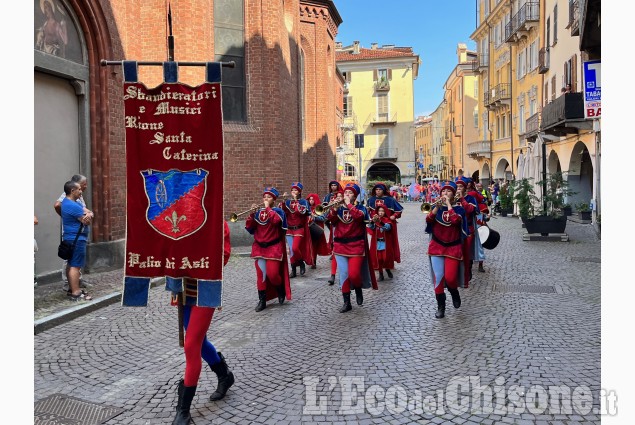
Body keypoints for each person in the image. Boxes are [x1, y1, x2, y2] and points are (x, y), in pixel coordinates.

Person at [171, 220, 234, 425]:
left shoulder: (218, 222)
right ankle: (224, 375)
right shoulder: (177, 218)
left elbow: (222, 257)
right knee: (198, 340)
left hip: (205, 289)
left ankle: (183, 410)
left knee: (191, 345)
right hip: (184, 289)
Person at [326, 183, 378, 312]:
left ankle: (358, 287)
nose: (346, 195)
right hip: (340, 246)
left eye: (349, 193)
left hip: (356, 246)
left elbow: (359, 217)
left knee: (354, 274)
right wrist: (334, 209)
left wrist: (349, 205)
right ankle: (347, 302)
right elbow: (331, 220)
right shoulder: (338, 208)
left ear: (355, 196)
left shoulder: (361, 208)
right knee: (343, 274)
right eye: (345, 193)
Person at [425, 181, 467, 318]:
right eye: (443, 191)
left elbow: (455, 220)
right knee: (439, 278)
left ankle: (454, 292)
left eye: (448, 192)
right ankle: (441, 307)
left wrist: (449, 205)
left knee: (450, 278)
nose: (445, 194)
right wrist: (436, 208)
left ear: (453, 194)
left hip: (453, 247)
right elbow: (428, 220)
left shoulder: (459, 209)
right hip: (437, 246)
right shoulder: (436, 207)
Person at [245, 187, 292, 312]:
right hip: (259, 247)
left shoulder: (278, 212)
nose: (266, 199)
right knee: (261, 276)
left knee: (273, 274)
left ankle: (280, 289)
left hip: (273, 248)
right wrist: (251, 214)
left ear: (274, 200)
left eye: (269, 197)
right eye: (264, 196)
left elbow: (277, 222)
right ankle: (262, 301)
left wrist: (267, 208)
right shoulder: (258, 212)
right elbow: (250, 228)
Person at [54, 174, 93, 292]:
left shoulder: (77, 198)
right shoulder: (69, 199)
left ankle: (76, 282)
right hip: (74, 235)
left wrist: (89, 214)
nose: (85, 187)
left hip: (76, 234)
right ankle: (71, 286)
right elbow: (57, 205)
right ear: (75, 187)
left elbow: (88, 213)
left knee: (74, 261)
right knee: (71, 261)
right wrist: (68, 216)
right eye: (83, 185)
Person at [279, 182, 314, 277]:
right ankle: (293, 269)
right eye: (292, 190)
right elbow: (282, 212)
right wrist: (283, 201)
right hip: (289, 229)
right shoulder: (288, 202)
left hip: (299, 228)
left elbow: (304, 212)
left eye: (296, 190)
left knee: (295, 248)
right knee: (291, 250)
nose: (294, 192)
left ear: (299, 192)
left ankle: (301, 262)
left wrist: (296, 201)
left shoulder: (303, 202)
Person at [367, 182, 403, 264]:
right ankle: (375, 261)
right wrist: (370, 217)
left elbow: (399, 211)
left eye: (380, 189)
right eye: (376, 189)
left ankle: (389, 261)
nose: (378, 191)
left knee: (390, 242)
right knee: (375, 242)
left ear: (383, 190)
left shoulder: (390, 200)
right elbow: (367, 211)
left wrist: (394, 216)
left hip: (388, 223)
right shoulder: (371, 200)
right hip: (376, 224)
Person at [367, 205, 395, 281]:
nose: (381, 212)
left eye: (382, 211)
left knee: (385, 258)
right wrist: (372, 221)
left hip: (385, 243)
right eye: (379, 211)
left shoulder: (388, 220)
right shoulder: (375, 219)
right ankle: (381, 274)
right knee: (378, 259)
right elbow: (371, 227)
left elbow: (387, 227)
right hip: (377, 243)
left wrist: (380, 222)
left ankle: (387, 269)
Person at [306, 193, 331, 269]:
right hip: (307, 228)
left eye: (312, 199)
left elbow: (323, 218)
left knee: (314, 246)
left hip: (316, 229)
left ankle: (314, 261)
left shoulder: (319, 208)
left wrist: (314, 217)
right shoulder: (307, 207)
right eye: (309, 199)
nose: (311, 201)